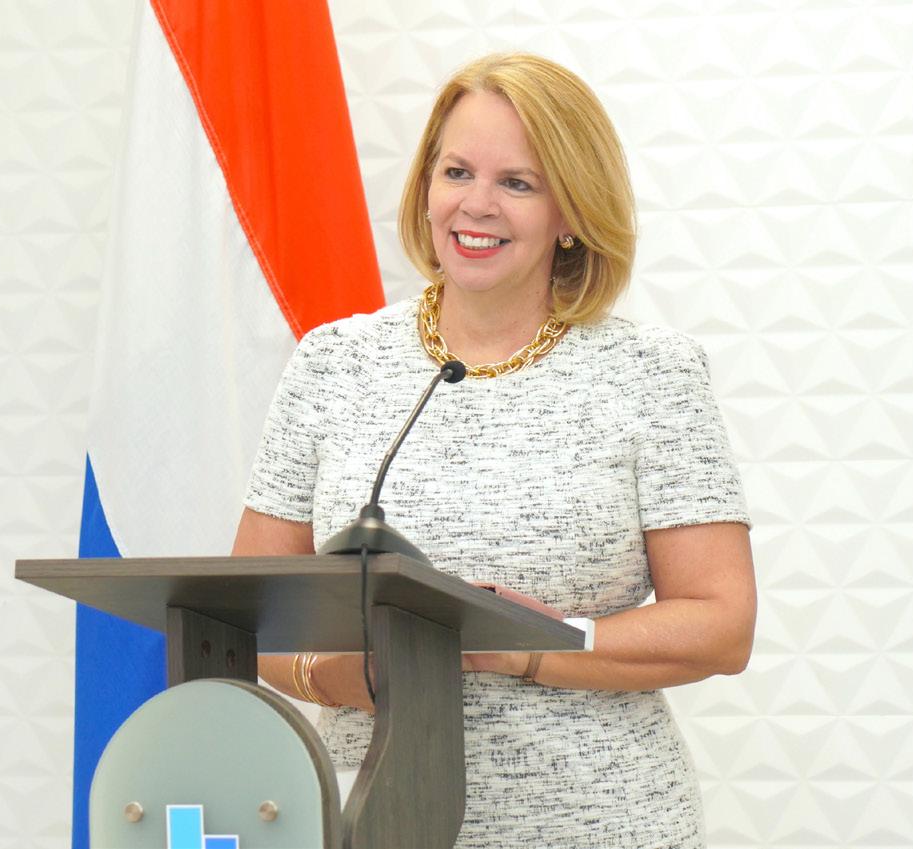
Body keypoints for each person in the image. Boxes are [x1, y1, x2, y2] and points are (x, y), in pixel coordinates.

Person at [231, 52, 755, 848]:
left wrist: (528, 645)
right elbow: (250, 608)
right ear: (425, 188)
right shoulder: (335, 363)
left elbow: (721, 623)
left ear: (570, 212)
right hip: (375, 822)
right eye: (456, 172)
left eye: (518, 182)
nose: (476, 204)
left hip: (602, 827)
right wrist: (327, 675)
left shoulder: (652, 375)